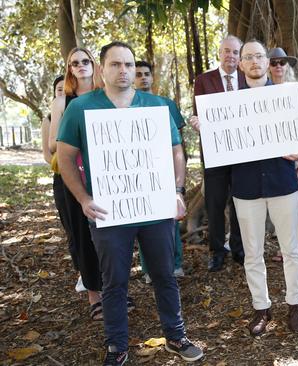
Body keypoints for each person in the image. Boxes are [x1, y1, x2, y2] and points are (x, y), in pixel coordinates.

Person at [56, 41, 203, 365]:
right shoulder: (81, 109)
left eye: (128, 65)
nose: (123, 71)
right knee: (115, 281)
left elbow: (176, 151)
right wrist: (83, 199)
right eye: (115, 65)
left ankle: (176, 336)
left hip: (154, 208)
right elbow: (64, 158)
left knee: (164, 274)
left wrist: (178, 191)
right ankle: (117, 346)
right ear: (101, 70)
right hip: (109, 211)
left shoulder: (155, 106)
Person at [231, 39, 298, 336]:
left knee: (291, 249)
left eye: (259, 56)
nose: (254, 61)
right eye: (247, 57)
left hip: (282, 182)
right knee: (253, 253)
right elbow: (221, 144)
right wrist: (207, 127)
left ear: (267, 61)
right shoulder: (228, 104)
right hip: (246, 186)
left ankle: (295, 304)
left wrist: (297, 149)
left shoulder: (287, 97)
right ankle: (261, 308)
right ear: (240, 64)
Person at [48, 48, 105, 321]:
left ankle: (114, 289)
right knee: (82, 235)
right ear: (69, 69)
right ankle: (95, 295)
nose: (80, 66)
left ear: (94, 65)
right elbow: (52, 145)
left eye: (85, 61)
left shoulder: (106, 95)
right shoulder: (62, 102)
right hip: (72, 176)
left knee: (109, 234)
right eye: (74, 63)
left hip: (104, 175)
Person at [190, 35, 246, 271]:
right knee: (214, 203)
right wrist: (196, 121)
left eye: (235, 52)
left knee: (240, 202)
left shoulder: (247, 79)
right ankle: (216, 251)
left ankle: (238, 248)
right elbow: (198, 112)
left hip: (244, 151)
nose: (231, 56)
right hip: (215, 152)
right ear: (219, 53)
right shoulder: (204, 80)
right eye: (227, 51)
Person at [134, 60, 186, 281]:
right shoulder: (126, 105)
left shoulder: (166, 104)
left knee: (170, 219)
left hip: (164, 168)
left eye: (147, 73)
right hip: (139, 169)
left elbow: (178, 142)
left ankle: (175, 264)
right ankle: (148, 269)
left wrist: (178, 177)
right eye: (138, 74)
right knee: (145, 220)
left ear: (152, 77)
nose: (143, 77)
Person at [266, 47, 298, 263]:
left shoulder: (296, 91)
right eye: (274, 63)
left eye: (282, 62)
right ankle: (285, 247)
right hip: (270, 155)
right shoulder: (261, 91)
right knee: (278, 201)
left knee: (297, 199)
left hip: (295, 153)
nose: (278, 66)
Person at [41, 75, 64, 164]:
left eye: (67, 88)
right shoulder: (47, 121)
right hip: (61, 171)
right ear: (54, 92)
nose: (63, 92)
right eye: (59, 89)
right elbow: (47, 156)